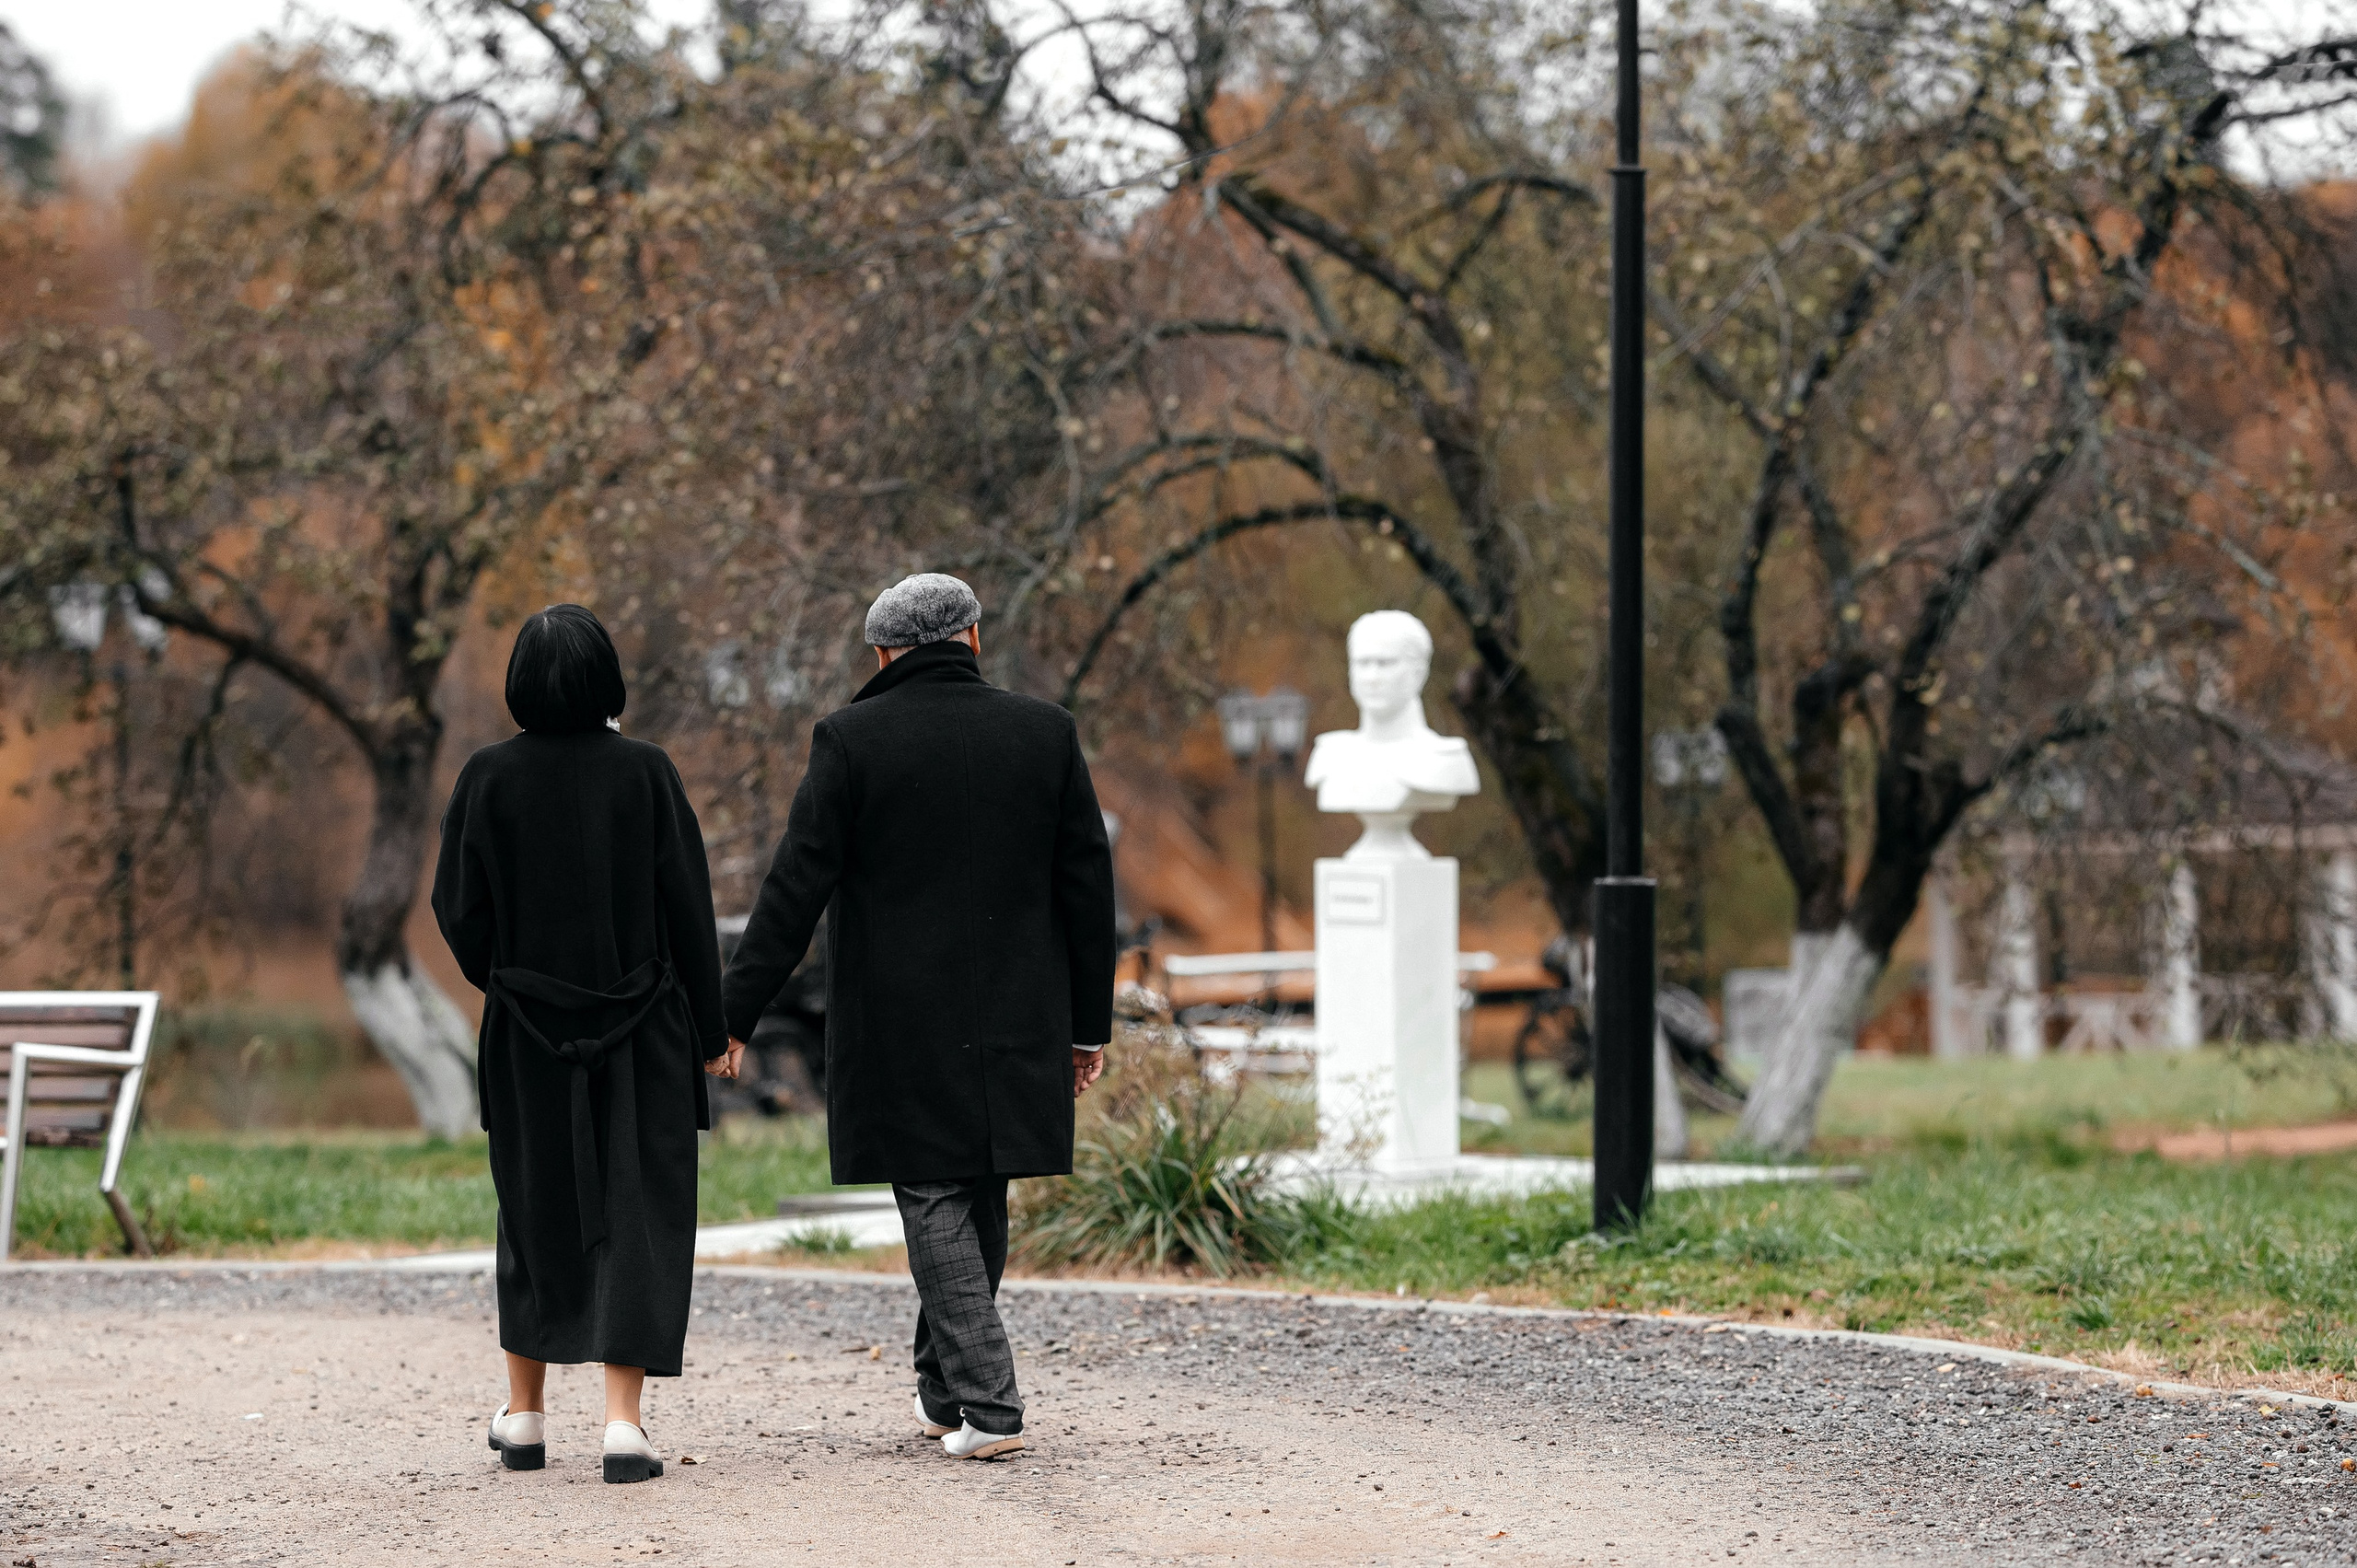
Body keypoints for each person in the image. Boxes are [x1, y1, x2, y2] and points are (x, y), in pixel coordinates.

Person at [722, 572, 1117, 1460]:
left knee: (935, 1190)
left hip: (900, 1019)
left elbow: (793, 889)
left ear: (882, 655)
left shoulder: (851, 739)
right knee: (979, 1187)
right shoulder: (1045, 731)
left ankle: (992, 1405)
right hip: (1021, 1009)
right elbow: (1089, 888)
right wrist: (1086, 1023)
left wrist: (733, 1013)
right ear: (972, 638)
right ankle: (944, 1391)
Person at [432, 604, 740, 1485]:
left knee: (532, 1208)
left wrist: (510, 983)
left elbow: (457, 910)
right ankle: (622, 1426)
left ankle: (525, 1416)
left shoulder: (486, 776)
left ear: (520, 683)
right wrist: (712, 1030)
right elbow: (688, 908)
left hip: (527, 1035)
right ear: (607, 676)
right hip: (641, 1030)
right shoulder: (647, 772)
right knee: (636, 1212)